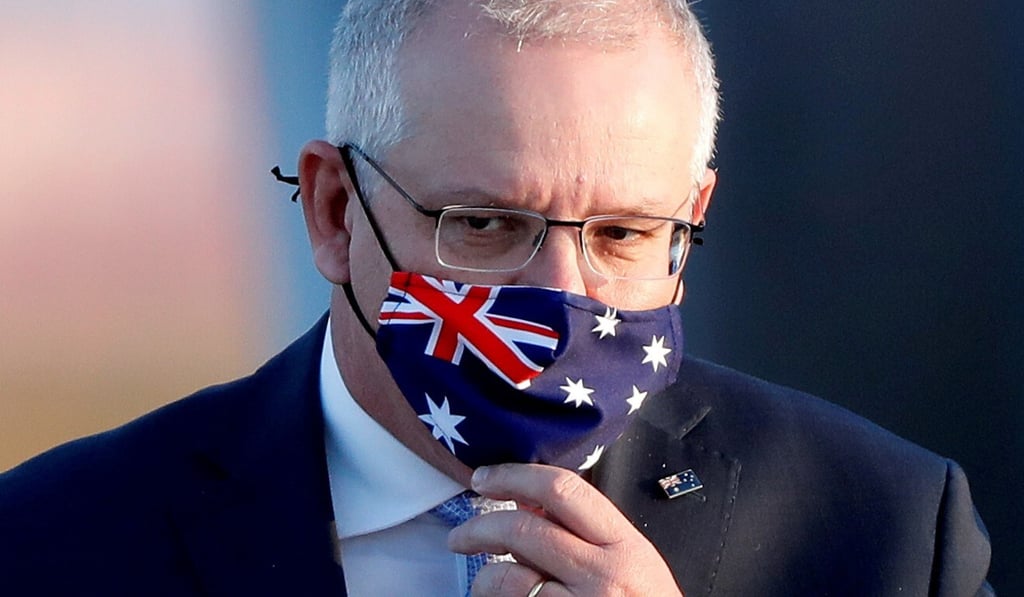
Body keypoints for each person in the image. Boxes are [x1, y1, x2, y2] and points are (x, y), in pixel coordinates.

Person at [0, 1, 993, 595]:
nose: (562, 298)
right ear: (333, 211)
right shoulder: (55, 543)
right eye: (483, 225)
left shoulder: (886, 533)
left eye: (623, 235)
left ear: (691, 220)